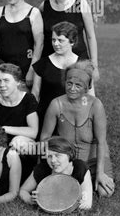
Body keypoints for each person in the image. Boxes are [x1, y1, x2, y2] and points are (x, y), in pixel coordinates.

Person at [40, 60, 114, 197]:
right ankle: (81, 183)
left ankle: (89, 180)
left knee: (104, 192)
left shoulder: (95, 105)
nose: (72, 88)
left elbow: (101, 142)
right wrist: (48, 166)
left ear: (87, 87)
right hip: (68, 163)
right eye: (69, 83)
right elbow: (44, 138)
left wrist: (100, 173)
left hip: (93, 159)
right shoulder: (56, 104)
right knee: (62, 192)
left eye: (78, 85)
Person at [40, 0, 99, 82]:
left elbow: (91, 37)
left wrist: (94, 66)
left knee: (81, 96)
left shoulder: (81, 4)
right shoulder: (44, 6)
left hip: (79, 62)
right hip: (52, 62)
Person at [0, 63, 39, 183]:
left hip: (24, 145)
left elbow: (33, 131)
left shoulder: (28, 99)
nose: (2, 85)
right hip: (2, 143)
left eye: (6, 80)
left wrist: (4, 128)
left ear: (17, 82)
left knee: (18, 142)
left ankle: (22, 180)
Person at [19, 136, 93, 210]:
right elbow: (23, 191)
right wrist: (30, 199)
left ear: (69, 155)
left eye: (58, 156)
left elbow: (86, 204)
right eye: (49, 156)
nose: (53, 160)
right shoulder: (42, 169)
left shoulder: (80, 168)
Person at [0, 0, 43, 87]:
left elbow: (39, 45)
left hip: (24, 69)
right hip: (2, 68)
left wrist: (32, 70)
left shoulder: (33, 12)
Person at [32, 21, 80, 125]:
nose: (55, 44)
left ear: (72, 41)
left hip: (73, 117)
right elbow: (35, 93)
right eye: (53, 40)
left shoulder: (82, 65)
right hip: (46, 117)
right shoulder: (42, 64)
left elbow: (90, 95)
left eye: (60, 40)